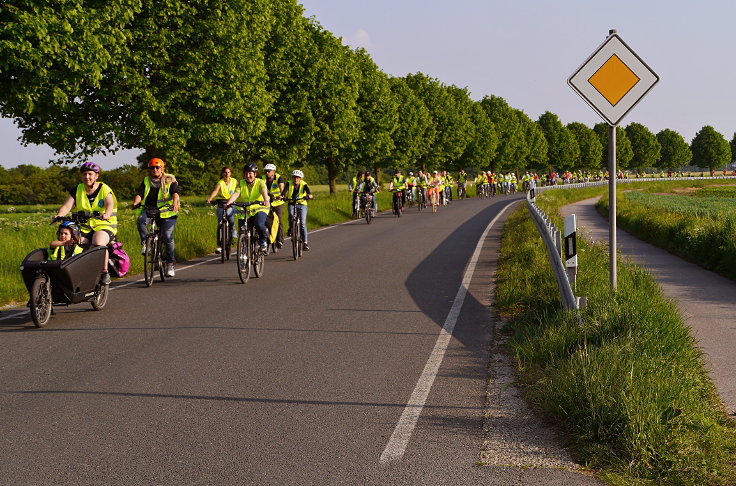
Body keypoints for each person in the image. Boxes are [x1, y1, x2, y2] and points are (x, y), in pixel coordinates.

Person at [54, 161, 117, 285]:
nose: (87, 177)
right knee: (74, 241)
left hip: (104, 225)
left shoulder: (104, 188)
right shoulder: (77, 189)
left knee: (98, 242)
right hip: (84, 226)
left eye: (90, 174)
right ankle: (74, 272)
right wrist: (59, 215)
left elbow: (110, 203)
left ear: (96, 176)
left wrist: (107, 214)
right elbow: (67, 206)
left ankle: (104, 272)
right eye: (84, 174)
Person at [132, 157, 180, 278]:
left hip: (167, 212)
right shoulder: (146, 180)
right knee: (141, 221)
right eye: (152, 168)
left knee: (168, 237)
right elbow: (140, 194)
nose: (154, 170)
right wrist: (136, 202)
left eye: (157, 167)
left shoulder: (170, 179)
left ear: (162, 168)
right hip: (149, 209)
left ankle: (170, 264)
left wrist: (175, 203)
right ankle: (145, 243)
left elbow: (175, 193)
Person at [226, 163, 270, 252]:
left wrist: (266, 200)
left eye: (250, 173)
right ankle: (246, 245)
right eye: (246, 173)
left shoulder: (260, 182)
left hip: (260, 207)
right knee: (243, 229)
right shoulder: (241, 183)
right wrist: (228, 203)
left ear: (255, 174)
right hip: (246, 209)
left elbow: (264, 191)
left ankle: (263, 241)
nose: (248, 175)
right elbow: (236, 194)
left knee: (259, 224)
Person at [206, 166, 238, 254]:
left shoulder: (234, 181)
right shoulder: (220, 182)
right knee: (220, 223)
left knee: (229, 215)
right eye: (225, 172)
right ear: (222, 173)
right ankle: (219, 245)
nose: (227, 174)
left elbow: (239, 190)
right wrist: (210, 198)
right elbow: (216, 191)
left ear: (230, 173)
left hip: (230, 203)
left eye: (228, 172)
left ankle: (233, 228)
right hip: (221, 203)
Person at [283, 169, 314, 250]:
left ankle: (305, 242)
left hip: (302, 204)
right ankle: (290, 229)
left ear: (301, 179)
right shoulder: (289, 183)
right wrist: (282, 196)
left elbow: (308, 191)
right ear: (292, 178)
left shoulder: (304, 184)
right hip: (291, 203)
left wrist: (309, 196)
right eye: (294, 177)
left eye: (298, 177)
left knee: (302, 223)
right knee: (291, 215)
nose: (296, 179)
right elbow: (284, 191)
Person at [261, 163, 286, 248]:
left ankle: (279, 240)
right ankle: (267, 238)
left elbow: (281, 186)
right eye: (266, 171)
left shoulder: (279, 177)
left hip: (277, 202)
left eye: (269, 171)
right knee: (265, 220)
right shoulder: (262, 178)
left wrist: (282, 194)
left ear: (273, 172)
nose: (267, 173)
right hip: (267, 201)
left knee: (278, 220)